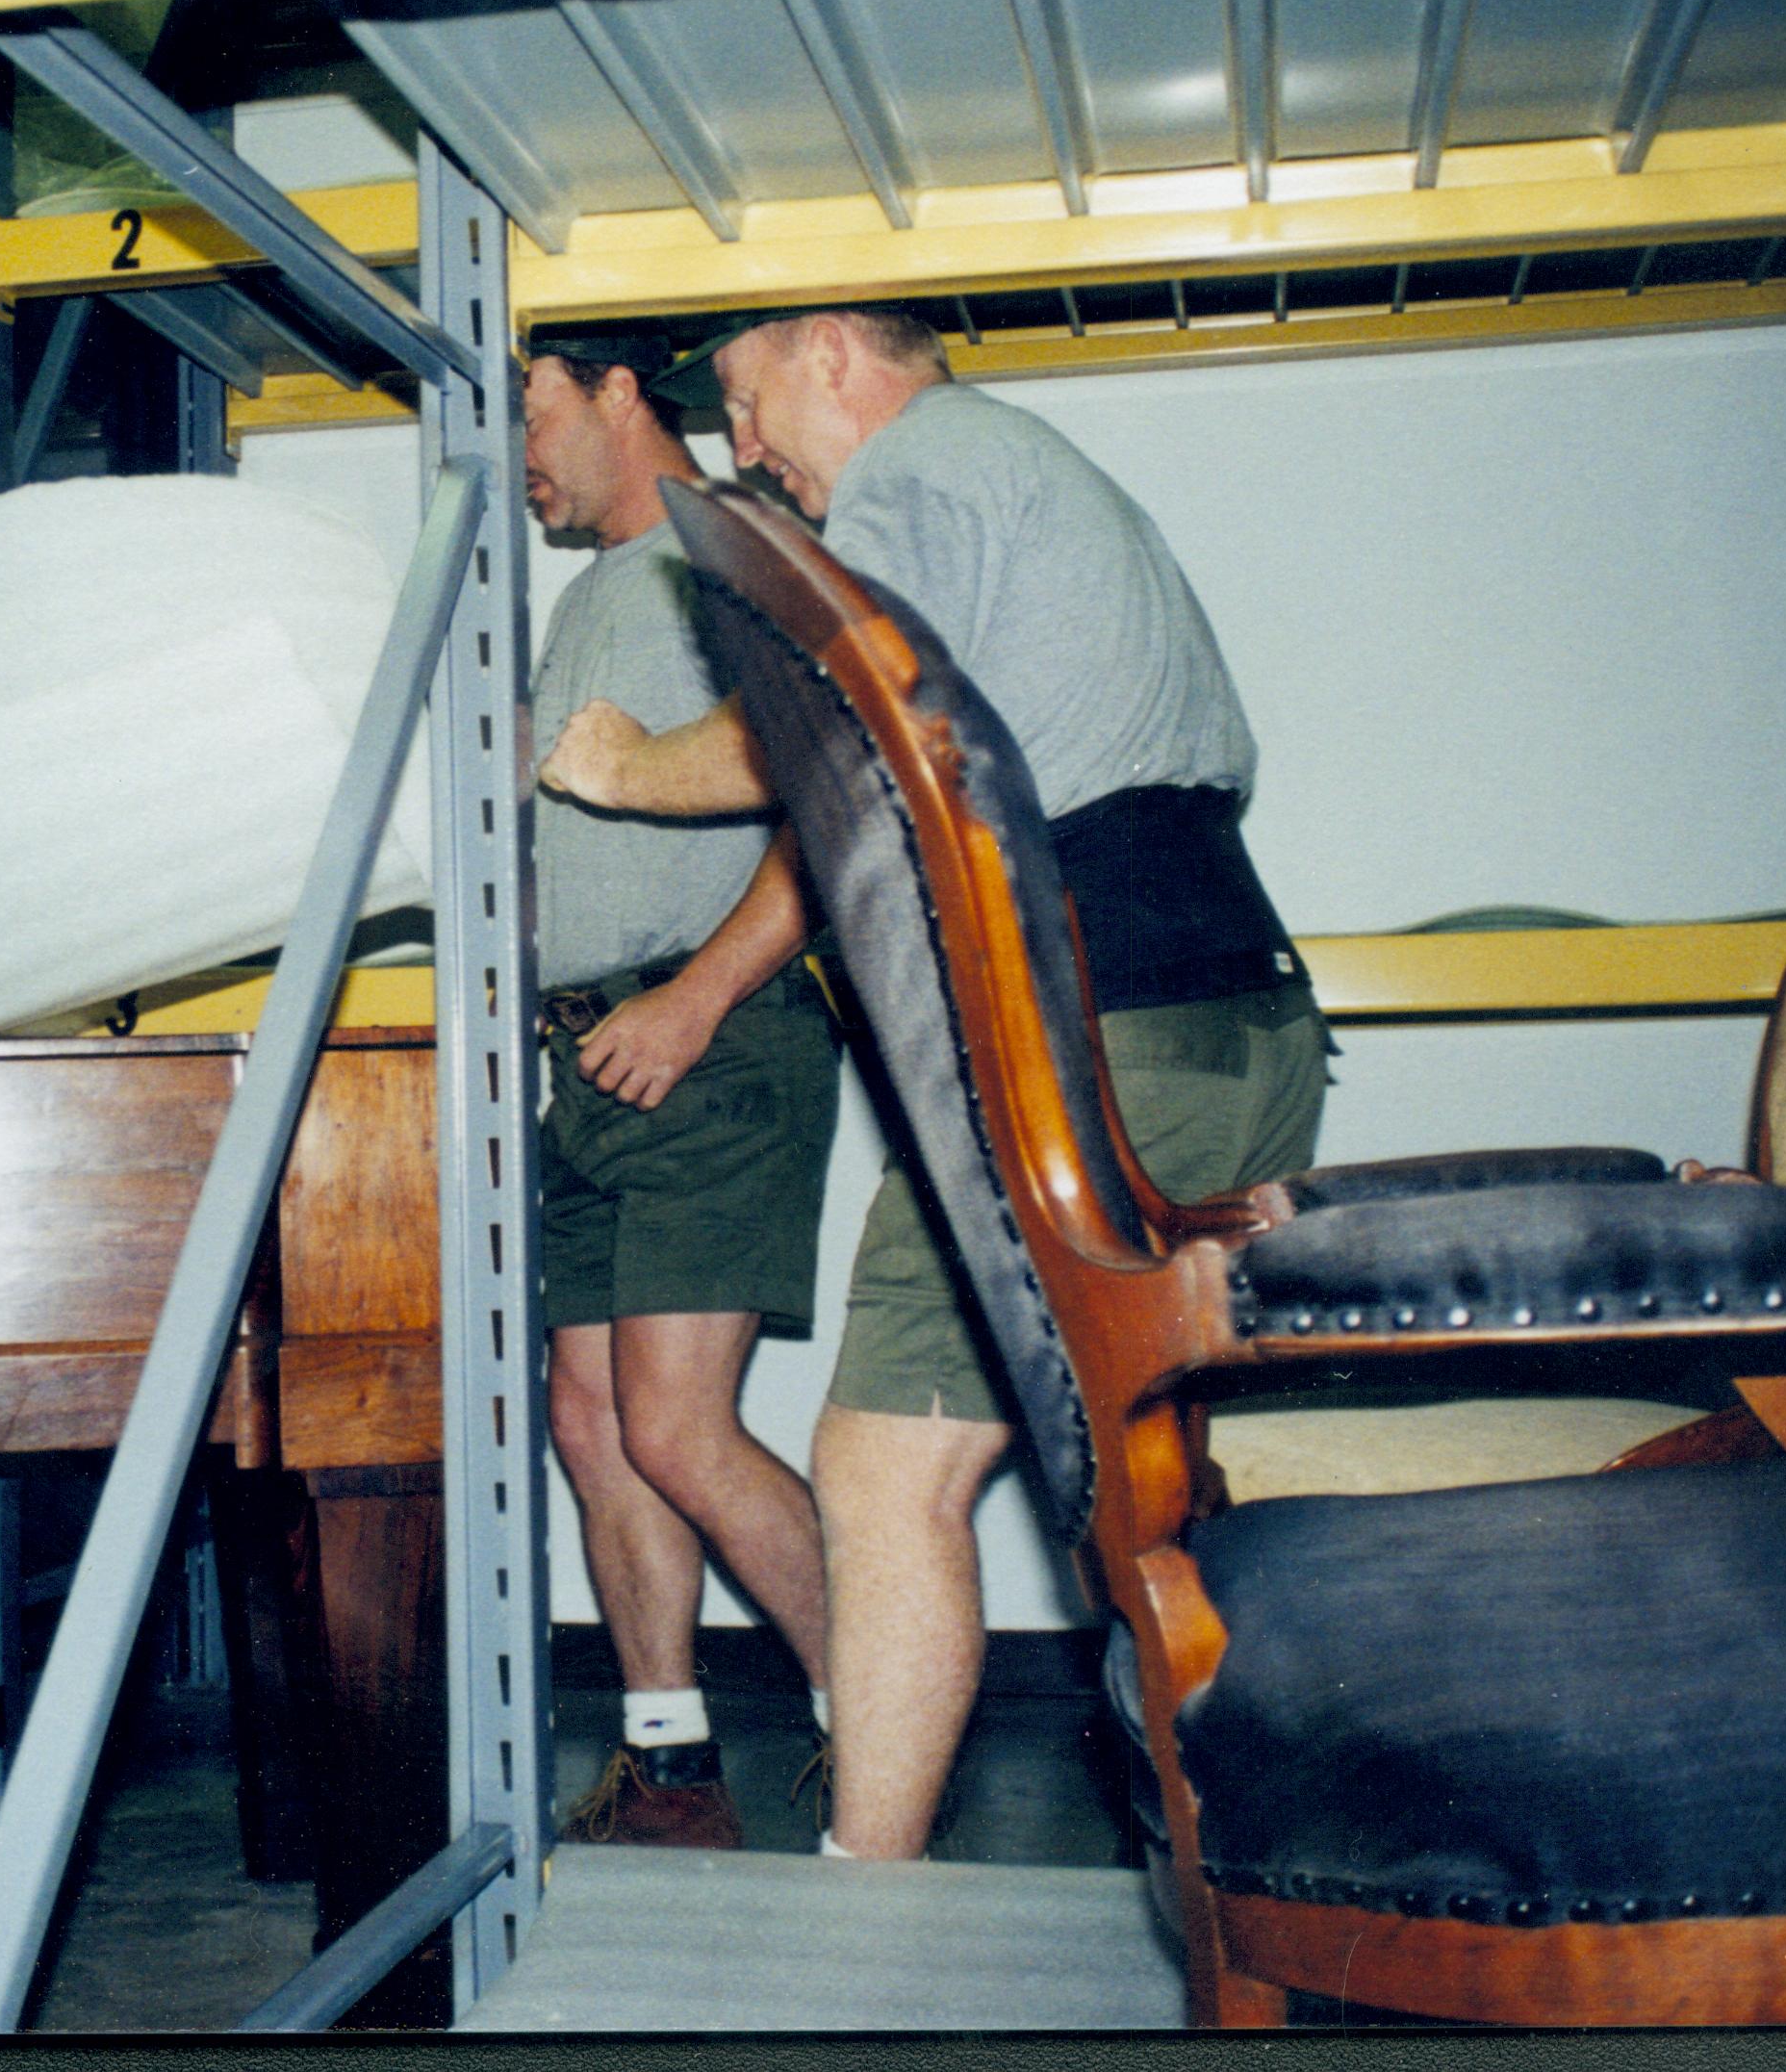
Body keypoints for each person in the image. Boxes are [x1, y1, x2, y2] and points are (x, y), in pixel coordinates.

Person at [540, 306, 1327, 1862]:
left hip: (1107, 1033)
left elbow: (839, 718)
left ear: (833, 353)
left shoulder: (924, 462)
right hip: (1217, 1017)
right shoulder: (1022, 472)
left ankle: (862, 1917)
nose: (745, 447)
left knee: (881, 1463)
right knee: (1129, 1470)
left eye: (754, 401)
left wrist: (624, 765)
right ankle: (1234, 1854)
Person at [523, 335, 843, 1851]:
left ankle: (883, 1717)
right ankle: (670, 1772)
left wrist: (698, 998)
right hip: (586, 1059)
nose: (520, 457)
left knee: (675, 1430)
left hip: (711, 1046)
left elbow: (836, 809)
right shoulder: (592, 597)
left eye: (529, 411)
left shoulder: (734, 565)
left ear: (613, 393)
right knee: (591, 1425)